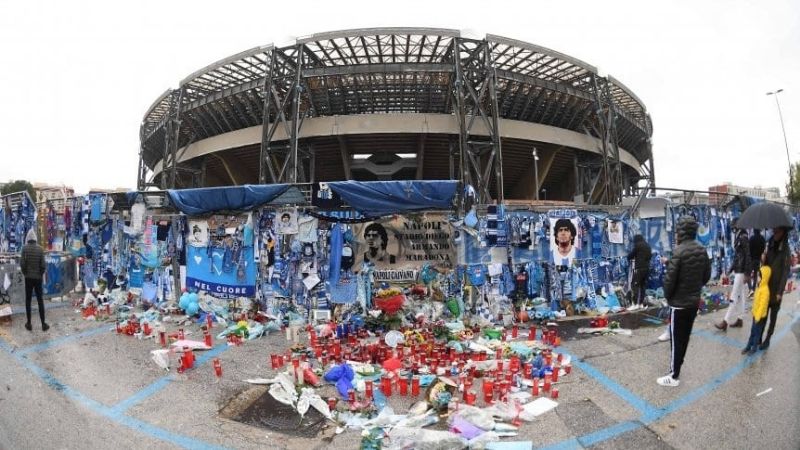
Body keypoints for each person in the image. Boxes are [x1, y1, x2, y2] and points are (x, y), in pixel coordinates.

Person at [658, 216, 711, 387]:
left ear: (681, 232)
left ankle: (673, 375)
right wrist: (693, 287)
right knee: (685, 337)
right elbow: (706, 276)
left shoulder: (678, 251)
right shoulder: (702, 250)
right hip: (693, 302)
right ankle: (677, 367)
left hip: (679, 304)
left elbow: (669, 281)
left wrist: (669, 296)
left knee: (676, 339)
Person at [759, 226, 791, 350]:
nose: (775, 232)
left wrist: (780, 292)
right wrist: (763, 259)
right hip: (767, 287)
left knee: (773, 317)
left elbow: (785, 273)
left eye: (777, 231)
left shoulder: (786, 250)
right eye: (774, 230)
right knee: (763, 315)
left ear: (783, 232)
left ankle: (768, 339)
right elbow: (765, 266)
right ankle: (760, 337)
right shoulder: (770, 244)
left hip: (777, 289)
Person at [715, 228, 751, 330]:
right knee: (741, 297)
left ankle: (725, 322)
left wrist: (747, 273)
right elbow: (737, 257)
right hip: (739, 270)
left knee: (734, 297)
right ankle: (740, 319)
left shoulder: (743, 238)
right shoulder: (740, 237)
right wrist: (730, 270)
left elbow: (748, 256)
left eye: (733, 226)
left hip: (741, 272)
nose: (732, 229)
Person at [20, 229, 48, 331]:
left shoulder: (24, 249)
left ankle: (29, 323)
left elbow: (22, 264)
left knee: (28, 300)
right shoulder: (40, 249)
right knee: (40, 300)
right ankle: (43, 324)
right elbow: (43, 266)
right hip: (38, 279)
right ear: (35, 238)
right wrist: (40, 274)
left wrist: (25, 273)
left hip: (28, 278)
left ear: (28, 238)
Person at [742, 265, 770, 355]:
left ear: (764, 278)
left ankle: (753, 348)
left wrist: (757, 316)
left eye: (759, 276)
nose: (757, 277)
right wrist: (753, 311)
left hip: (760, 316)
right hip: (756, 315)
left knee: (756, 333)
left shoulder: (765, 290)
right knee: (752, 332)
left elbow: (762, 306)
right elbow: (756, 302)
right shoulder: (759, 287)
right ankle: (748, 346)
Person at [627, 234, 652, 309]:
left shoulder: (638, 245)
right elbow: (650, 256)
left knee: (635, 285)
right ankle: (641, 303)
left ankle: (635, 304)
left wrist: (628, 257)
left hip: (639, 268)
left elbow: (632, 255)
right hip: (647, 268)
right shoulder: (648, 246)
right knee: (643, 286)